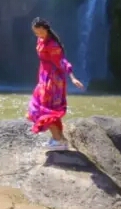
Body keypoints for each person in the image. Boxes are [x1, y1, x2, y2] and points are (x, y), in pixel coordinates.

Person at [27, 17, 85, 150]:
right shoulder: (41, 40)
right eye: (36, 33)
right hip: (44, 77)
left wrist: (72, 77)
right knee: (43, 106)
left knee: (46, 108)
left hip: (53, 80)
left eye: (39, 32)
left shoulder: (52, 45)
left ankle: (58, 140)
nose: (38, 35)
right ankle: (61, 139)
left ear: (45, 29)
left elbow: (62, 61)